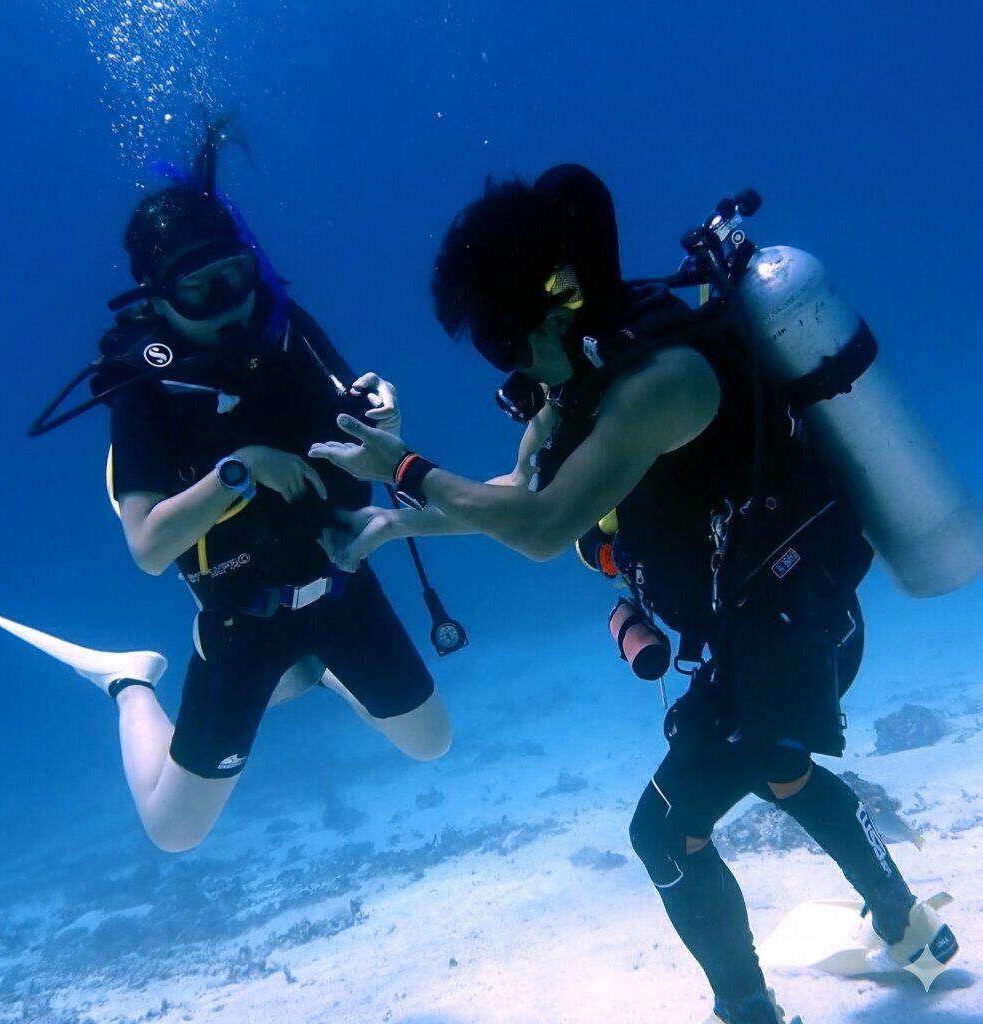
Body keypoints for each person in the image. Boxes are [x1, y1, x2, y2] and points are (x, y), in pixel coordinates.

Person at [308, 165, 958, 1023]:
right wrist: (394, 527)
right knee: (778, 766)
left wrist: (399, 468)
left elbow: (543, 531)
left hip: (803, 626)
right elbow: (517, 496)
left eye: (505, 341)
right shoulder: (578, 378)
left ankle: (751, 1013)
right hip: (763, 628)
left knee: (664, 836)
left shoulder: (663, 383)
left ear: (559, 297)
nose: (510, 368)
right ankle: (905, 921)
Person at [0, 123, 453, 855]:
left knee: (432, 744)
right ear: (156, 299)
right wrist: (241, 468)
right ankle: (127, 682)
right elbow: (146, 546)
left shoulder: (287, 328)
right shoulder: (145, 388)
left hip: (339, 584)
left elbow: (361, 455)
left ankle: (314, 671)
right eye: (197, 292)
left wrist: (388, 421)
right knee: (173, 831)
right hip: (239, 618)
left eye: (235, 276)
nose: (229, 305)